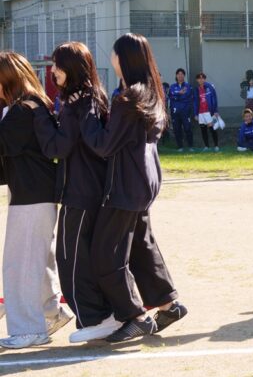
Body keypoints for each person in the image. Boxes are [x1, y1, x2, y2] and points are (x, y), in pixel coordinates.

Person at [79, 33, 188, 342]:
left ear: (122, 59)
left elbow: (103, 144)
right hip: (144, 180)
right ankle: (168, 305)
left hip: (126, 185)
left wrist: (86, 114)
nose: (111, 57)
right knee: (141, 245)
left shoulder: (128, 99)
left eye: (114, 53)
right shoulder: (149, 93)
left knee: (105, 252)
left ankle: (135, 316)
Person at [34, 42, 120, 342]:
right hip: (86, 189)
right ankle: (101, 316)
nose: (53, 70)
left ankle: (97, 318)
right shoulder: (88, 97)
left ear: (71, 68)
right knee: (79, 255)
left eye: (58, 65)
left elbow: (58, 146)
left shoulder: (79, 101)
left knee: (72, 257)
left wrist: (41, 116)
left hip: (81, 191)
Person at [0, 51, 72, 349]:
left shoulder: (22, 110)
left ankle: (29, 329)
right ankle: (51, 313)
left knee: (20, 265)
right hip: (33, 193)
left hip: (32, 195)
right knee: (35, 260)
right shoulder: (28, 105)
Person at [167, 68, 194, 152]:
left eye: (182, 74)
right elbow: (171, 96)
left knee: (187, 129)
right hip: (175, 112)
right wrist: (179, 94)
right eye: (178, 74)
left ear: (184, 76)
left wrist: (176, 96)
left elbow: (187, 97)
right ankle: (180, 147)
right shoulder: (172, 86)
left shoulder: (188, 86)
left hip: (185, 111)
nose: (180, 75)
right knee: (177, 129)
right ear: (176, 75)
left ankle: (190, 146)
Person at [193, 72, 220, 152]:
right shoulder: (196, 89)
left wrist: (215, 111)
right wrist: (195, 113)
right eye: (199, 78)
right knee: (203, 130)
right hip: (201, 113)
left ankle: (216, 146)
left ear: (205, 79)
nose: (201, 80)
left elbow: (214, 99)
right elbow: (195, 102)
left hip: (209, 112)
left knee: (212, 129)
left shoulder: (210, 87)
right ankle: (206, 146)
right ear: (197, 80)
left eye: (202, 78)